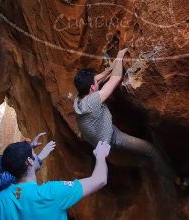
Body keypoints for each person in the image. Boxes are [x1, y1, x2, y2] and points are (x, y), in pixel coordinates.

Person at [73, 48, 174, 182]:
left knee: (141, 156)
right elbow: (115, 80)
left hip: (98, 138)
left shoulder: (79, 98)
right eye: (95, 83)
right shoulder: (92, 101)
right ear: (92, 88)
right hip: (111, 138)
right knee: (150, 151)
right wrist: (120, 56)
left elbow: (97, 78)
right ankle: (176, 179)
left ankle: (150, 165)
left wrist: (112, 66)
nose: (98, 81)